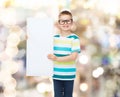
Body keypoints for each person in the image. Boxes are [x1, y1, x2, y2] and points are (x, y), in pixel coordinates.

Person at [47, 10, 81, 97]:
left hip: (69, 75)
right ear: (59, 23)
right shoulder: (54, 38)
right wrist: (30, 38)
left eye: (68, 21)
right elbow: (42, 44)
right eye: (62, 21)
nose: (65, 23)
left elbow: (73, 57)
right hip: (56, 75)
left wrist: (57, 59)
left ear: (72, 22)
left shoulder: (74, 38)